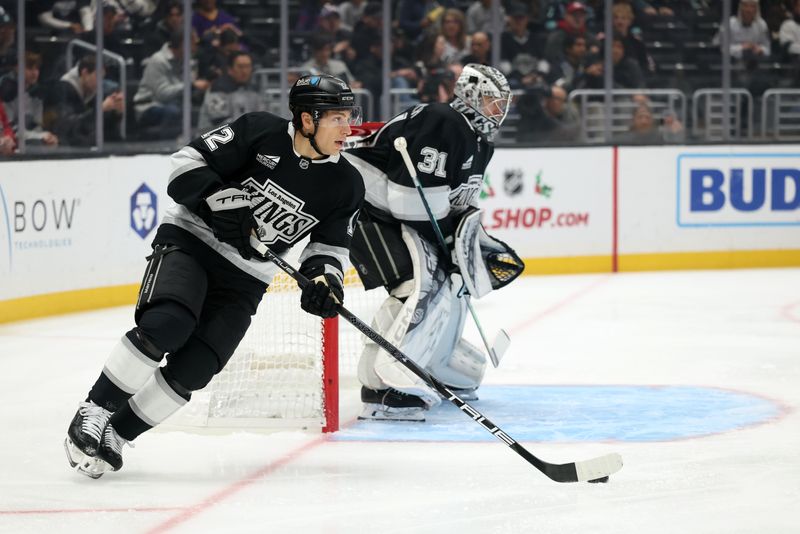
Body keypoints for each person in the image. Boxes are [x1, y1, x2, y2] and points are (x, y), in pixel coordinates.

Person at [64, 74, 365, 478]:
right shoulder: (260, 132)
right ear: (307, 120)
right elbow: (184, 164)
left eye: (350, 117)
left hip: (247, 275)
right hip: (192, 240)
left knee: (199, 365)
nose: (349, 129)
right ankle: (95, 410)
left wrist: (325, 282)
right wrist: (220, 203)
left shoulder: (346, 183)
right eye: (338, 118)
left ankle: (117, 433)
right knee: (168, 323)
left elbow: (328, 249)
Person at [343, 64, 525, 421]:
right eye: (491, 101)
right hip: (361, 204)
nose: (498, 111)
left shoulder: (479, 142)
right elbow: (410, 201)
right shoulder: (445, 122)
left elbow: (453, 206)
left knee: (449, 285)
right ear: (470, 94)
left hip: (392, 215)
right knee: (413, 286)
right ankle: (379, 387)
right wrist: (449, 242)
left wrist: (471, 247)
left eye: (502, 103)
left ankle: (434, 361)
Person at [42, 55, 125, 147]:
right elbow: (68, 128)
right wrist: (100, 109)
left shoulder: (93, 93)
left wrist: (116, 112)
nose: (100, 82)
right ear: (85, 73)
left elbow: (105, 129)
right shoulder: (62, 90)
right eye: (97, 76)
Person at [197, 51, 263, 129]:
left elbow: (261, 118)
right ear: (230, 69)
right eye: (240, 66)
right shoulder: (218, 88)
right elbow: (219, 122)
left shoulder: (253, 90)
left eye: (248, 66)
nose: (245, 71)